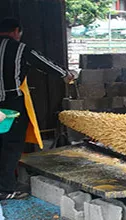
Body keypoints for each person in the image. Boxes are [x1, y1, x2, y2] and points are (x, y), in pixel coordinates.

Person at [0, 17, 76, 200]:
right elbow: (45, 63)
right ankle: (5, 189)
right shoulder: (20, 49)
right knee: (11, 145)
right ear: (16, 31)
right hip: (10, 105)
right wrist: (67, 74)